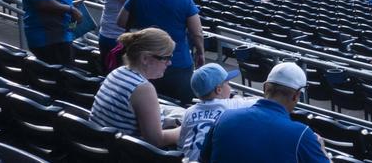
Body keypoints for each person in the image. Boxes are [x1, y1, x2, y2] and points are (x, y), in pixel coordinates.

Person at [118, 0, 205, 105]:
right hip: (178, 64)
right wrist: (201, 53)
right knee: (178, 107)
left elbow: (121, 21)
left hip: (144, 63)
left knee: (146, 105)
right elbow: (197, 33)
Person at [200, 62, 328, 162]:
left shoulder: (224, 118)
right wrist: (322, 151)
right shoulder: (302, 135)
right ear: (296, 96)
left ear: (265, 87)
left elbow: (203, 159)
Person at [90, 28, 181, 147]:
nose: (169, 63)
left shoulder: (118, 71)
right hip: (120, 152)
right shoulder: (142, 89)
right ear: (145, 58)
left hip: (101, 143)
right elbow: (156, 140)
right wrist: (184, 130)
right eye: (166, 58)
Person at [178, 64, 257, 161]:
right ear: (218, 90)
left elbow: (181, 143)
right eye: (228, 84)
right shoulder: (231, 104)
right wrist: (238, 98)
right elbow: (264, 101)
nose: (230, 87)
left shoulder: (189, 112)